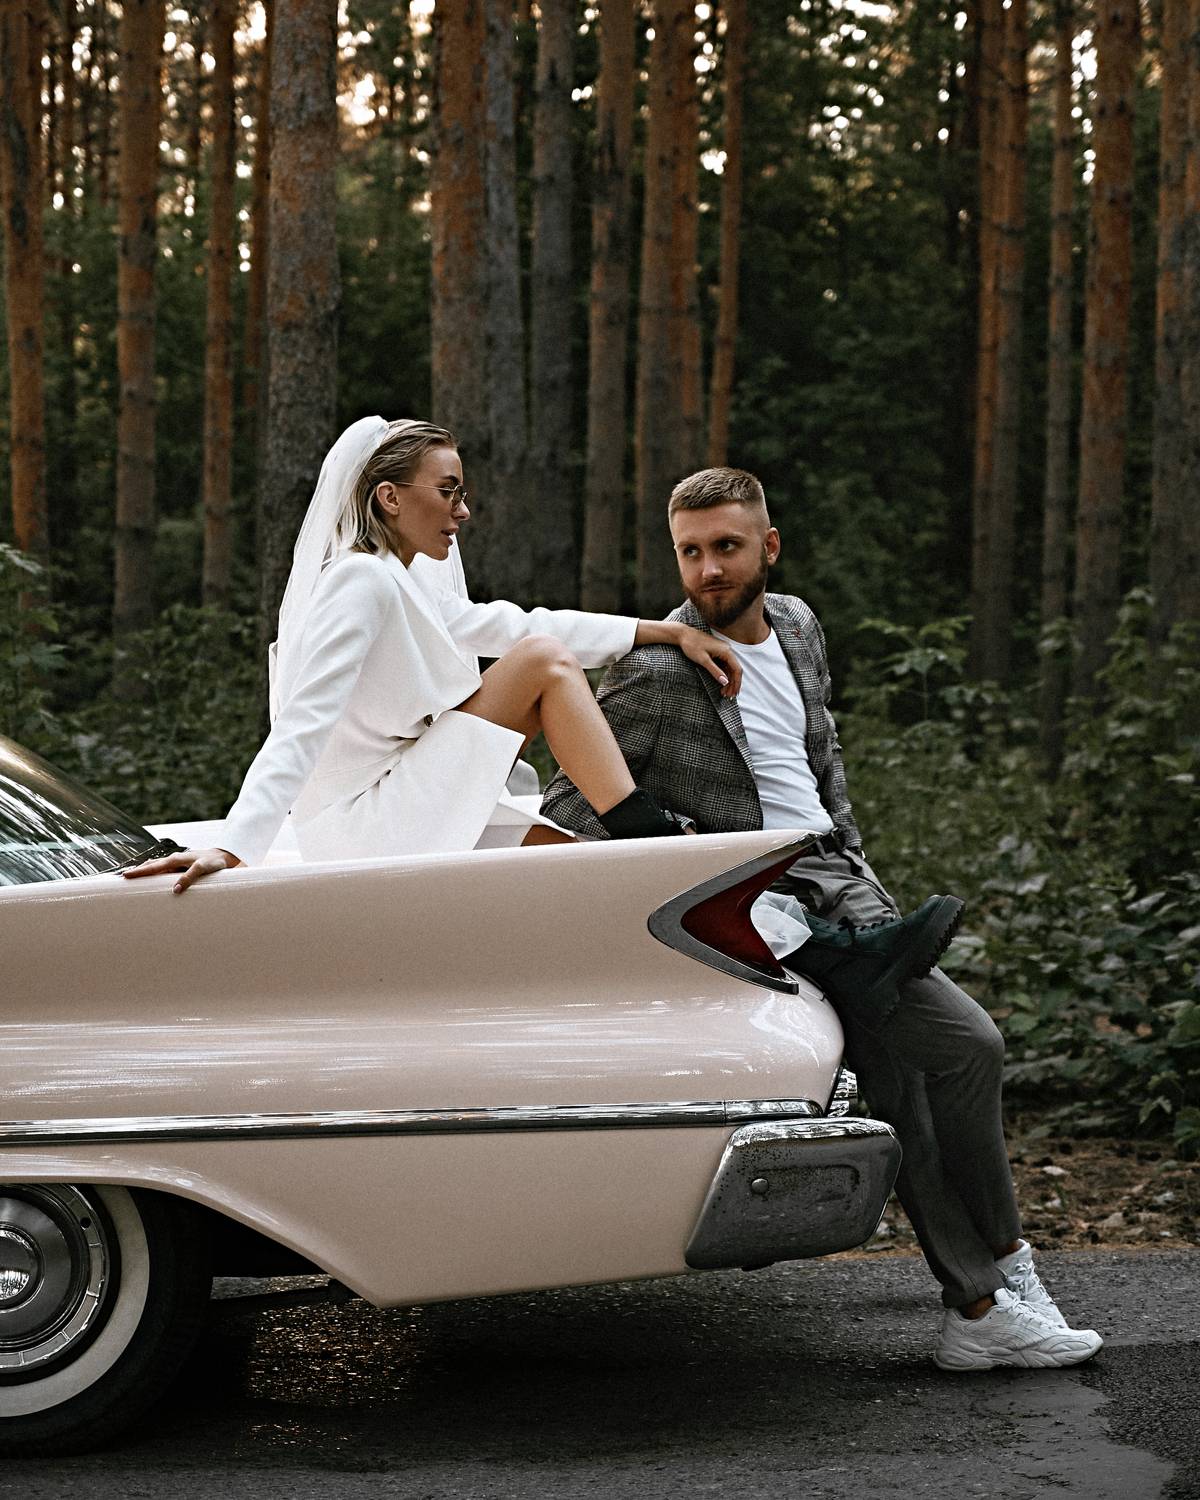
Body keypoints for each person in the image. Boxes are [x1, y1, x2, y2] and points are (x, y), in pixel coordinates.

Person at [541, 465, 1103, 1372]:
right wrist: (695, 855)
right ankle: (1001, 1273)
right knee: (968, 1045)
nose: (708, 570)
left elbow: (819, 756)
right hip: (760, 899)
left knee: (907, 1087)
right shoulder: (655, 671)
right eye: (690, 552)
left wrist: (854, 859)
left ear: (768, 546)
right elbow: (570, 806)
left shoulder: (798, 626)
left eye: (727, 547)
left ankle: (980, 1306)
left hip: (839, 884)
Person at [123, 417, 959, 1018]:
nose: (463, 510)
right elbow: (301, 724)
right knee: (547, 670)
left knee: (592, 877)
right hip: (369, 816)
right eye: (448, 492)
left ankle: (831, 955)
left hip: (414, 798)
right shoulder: (359, 582)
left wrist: (659, 629)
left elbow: (512, 620)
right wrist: (238, 843)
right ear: (389, 497)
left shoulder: (409, 580)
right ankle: (651, 839)